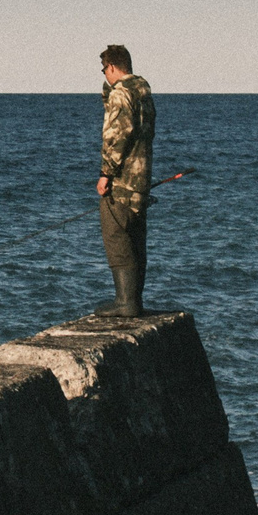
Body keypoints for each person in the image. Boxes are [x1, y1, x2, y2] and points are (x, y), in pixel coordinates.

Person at [95, 44, 155, 317]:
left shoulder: (121, 94)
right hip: (141, 178)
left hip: (122, 181)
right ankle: (134, 300)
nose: (104, 75)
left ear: (112, 68)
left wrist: (106, 174)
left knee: (117, 235)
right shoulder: (142, 90)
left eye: (104, 70)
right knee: (136, 238)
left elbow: (118, 136)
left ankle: (125, 302)